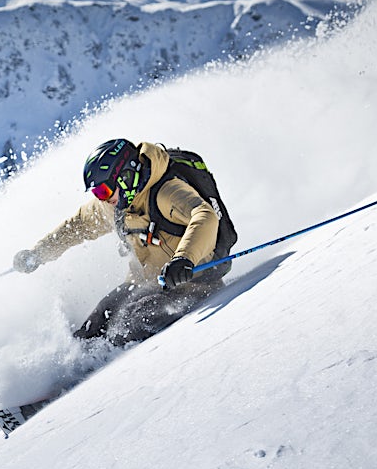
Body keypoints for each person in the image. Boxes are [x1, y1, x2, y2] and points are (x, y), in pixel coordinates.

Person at [13, 138, 229, 346]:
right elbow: (77, 226)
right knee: (95, 324)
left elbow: (204, 216)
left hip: (190, 283)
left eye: (104, 190)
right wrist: (38, 253)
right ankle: (80, 363)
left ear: (126, 177)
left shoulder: (166, 192)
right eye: (97, 192)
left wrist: (183, 259)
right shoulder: (114, 205)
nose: (102, 198)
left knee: (129, 325)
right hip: (143, 282)